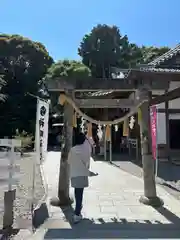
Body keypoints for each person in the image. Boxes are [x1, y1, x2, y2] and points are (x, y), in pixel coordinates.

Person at [68, 132, 91, 223]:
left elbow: (69, 161)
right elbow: (87, 163)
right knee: (80, 192)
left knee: (77, 191)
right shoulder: (86, 150)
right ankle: (77, 212)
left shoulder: (72, 150)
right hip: (82, 173)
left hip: (74, 173)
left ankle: (78, 209)